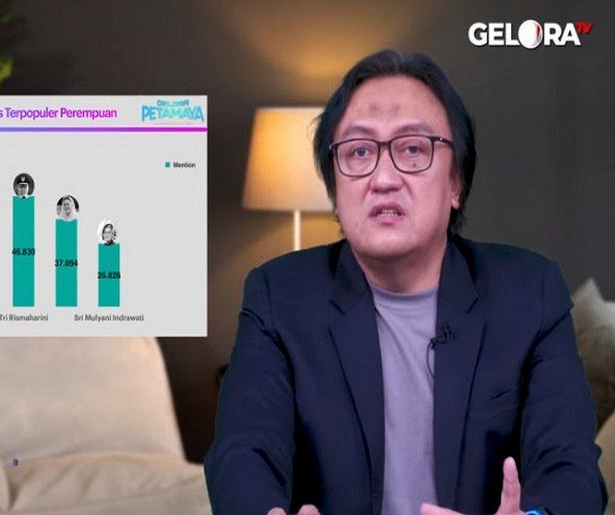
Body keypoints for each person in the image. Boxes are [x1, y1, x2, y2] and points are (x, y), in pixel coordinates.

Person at [204, 50, 607, 515]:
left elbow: (571, 468)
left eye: (413, 148)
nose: (383, 178)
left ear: (455, 183)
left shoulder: (530, 293)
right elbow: (242, 453)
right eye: (359, 151)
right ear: (335, 191)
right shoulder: (279, 296)